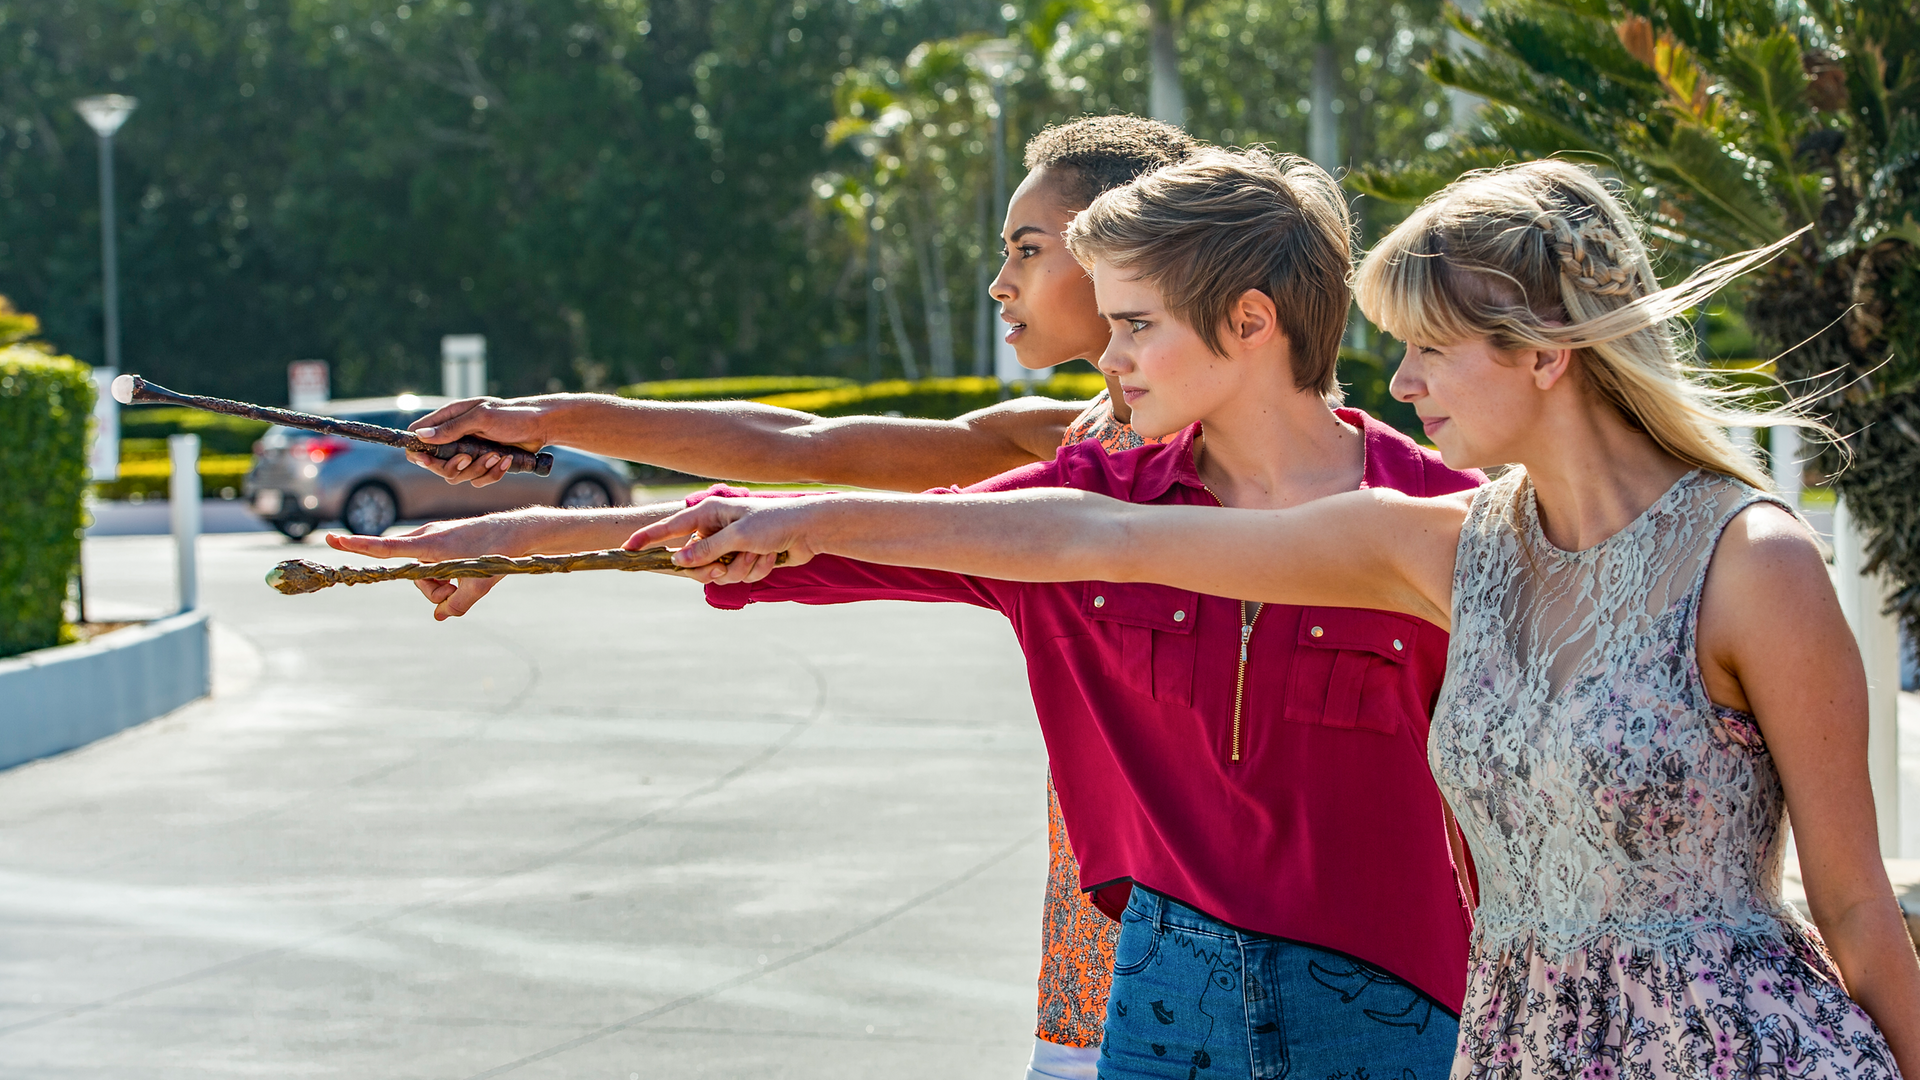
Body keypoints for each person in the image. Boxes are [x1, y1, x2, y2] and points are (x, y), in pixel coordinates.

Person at [634, 160, 1920, 1077]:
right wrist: (810, 516)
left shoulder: (1751, 562)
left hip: (1730, 1047)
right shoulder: (1443, 546)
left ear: (1545, 351)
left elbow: (1860, 910)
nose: (1399, 381)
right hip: (1517, 1042)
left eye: (1428, 348)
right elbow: (1092, 537)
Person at [331, 115, 1195, 1080]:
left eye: (1027, 252)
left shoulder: (1235, 471)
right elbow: (800, 456)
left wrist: (532, 533)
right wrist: (534, 448)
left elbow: (817, 519)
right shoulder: (1063, 438)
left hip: (1237, 940)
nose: (1000, 282)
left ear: (1126, 255)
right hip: (1093, 938)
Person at [611, 146, 1486, 1079]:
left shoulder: (1452, 520)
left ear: (1249, 320)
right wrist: (511, 521)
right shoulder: (1092, 490)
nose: (1107, 359)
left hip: (1405, 1006)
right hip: (1161, 998)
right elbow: (804, 532)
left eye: (1135, 325)